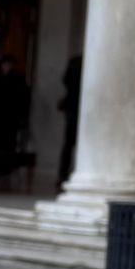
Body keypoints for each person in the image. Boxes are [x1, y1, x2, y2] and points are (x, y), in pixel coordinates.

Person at [0, 52, 30, 181]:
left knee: (8, 144)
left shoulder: (18, 79)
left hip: (9, 119)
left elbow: (22, 98)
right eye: (4, 64)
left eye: (8, 64)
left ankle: (6, 169)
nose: (6, 67)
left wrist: (20, 116)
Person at [58, 51, 83, 189]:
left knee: (68, 145)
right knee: (70, 145)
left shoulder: (74, 63)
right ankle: (64, 175)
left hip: (73, 109)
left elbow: (66, 82)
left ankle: (62, 175)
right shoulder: (77, 63)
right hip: (76, 109)